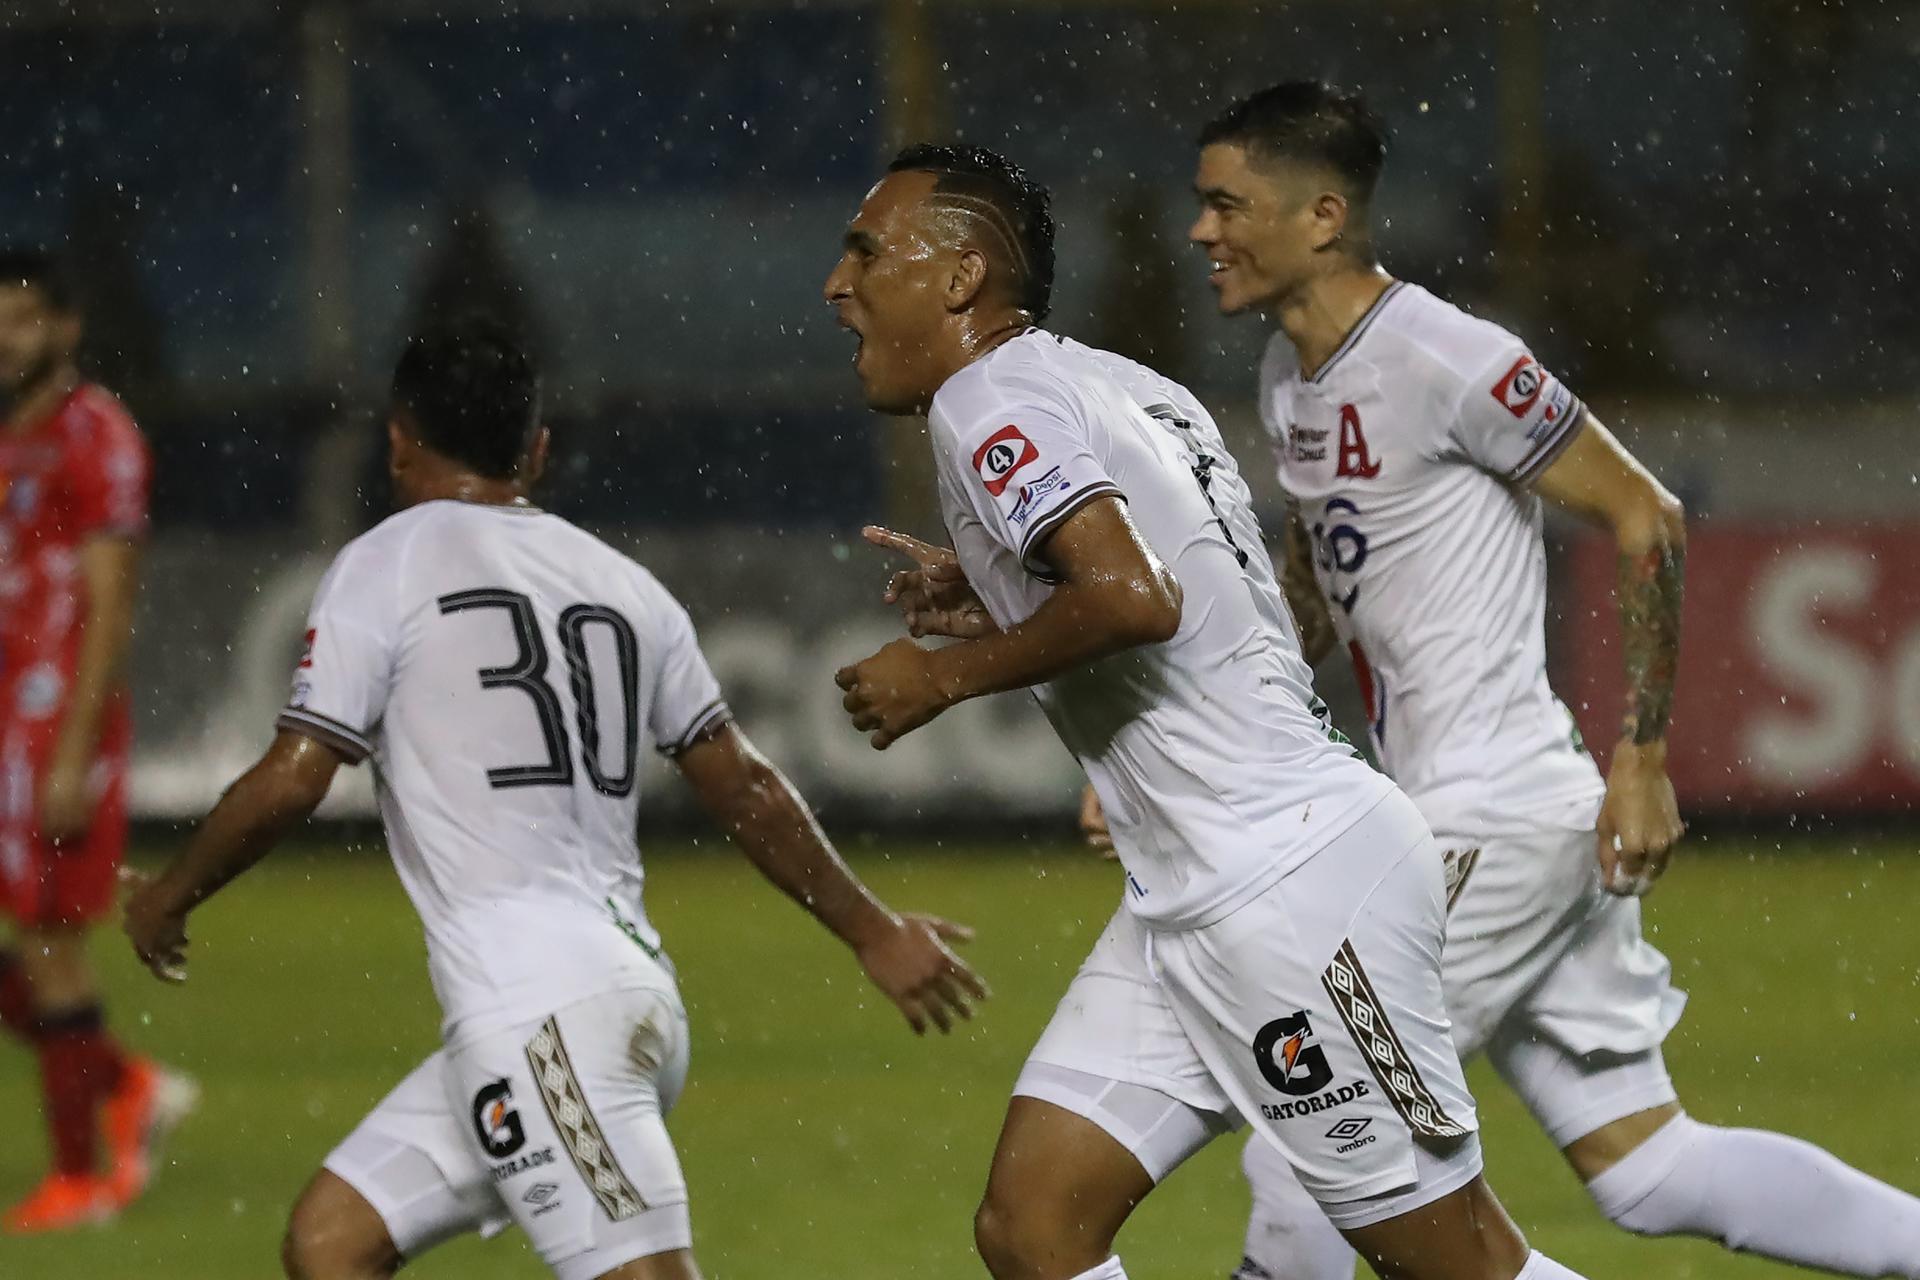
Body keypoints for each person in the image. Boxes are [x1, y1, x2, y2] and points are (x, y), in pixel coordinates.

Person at [1175, 80, 1920, 1279]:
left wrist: (1640, 757)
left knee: (1315, 1123)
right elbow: (1314, 589)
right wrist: (1191, 713)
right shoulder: (1286, 374)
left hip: (1500, 812)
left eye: (1224, 204)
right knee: (1647, 1164)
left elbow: (1645, 511)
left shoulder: (1446, 356)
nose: (1200, 231)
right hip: (1458, 813)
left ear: (1320, 216)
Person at [828, 143, 1591, 1280]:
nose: (840, 286)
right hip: (1193, 893)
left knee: (1458, 1262)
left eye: (865, 254)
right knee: (1034, 1225)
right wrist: (997, 589)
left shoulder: (985, 398)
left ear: (958, 278)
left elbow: (1137, 595)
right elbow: (1213, 604)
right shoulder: (1124, 385)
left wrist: (940, 677)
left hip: (1288, 888)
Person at [123, 319, 987, 1280]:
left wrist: (170, 894)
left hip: (538, 1016)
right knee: (331, 1243)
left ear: (398, 440)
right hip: (617, 996)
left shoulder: (388, 562)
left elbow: (297, 774)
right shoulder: (623, 586)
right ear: (535, 451)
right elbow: (742, 783)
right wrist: (872, 932)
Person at [0, 249, 196, 1233]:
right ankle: (125, 1084)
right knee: (35, 950)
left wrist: (73, 749)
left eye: (26, 317)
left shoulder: (97, 436)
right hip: (1, 715)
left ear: (67, 327)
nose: (6, 336)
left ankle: (82, 1180)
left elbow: (111, 602)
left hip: (53, 722)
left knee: (49, 941)